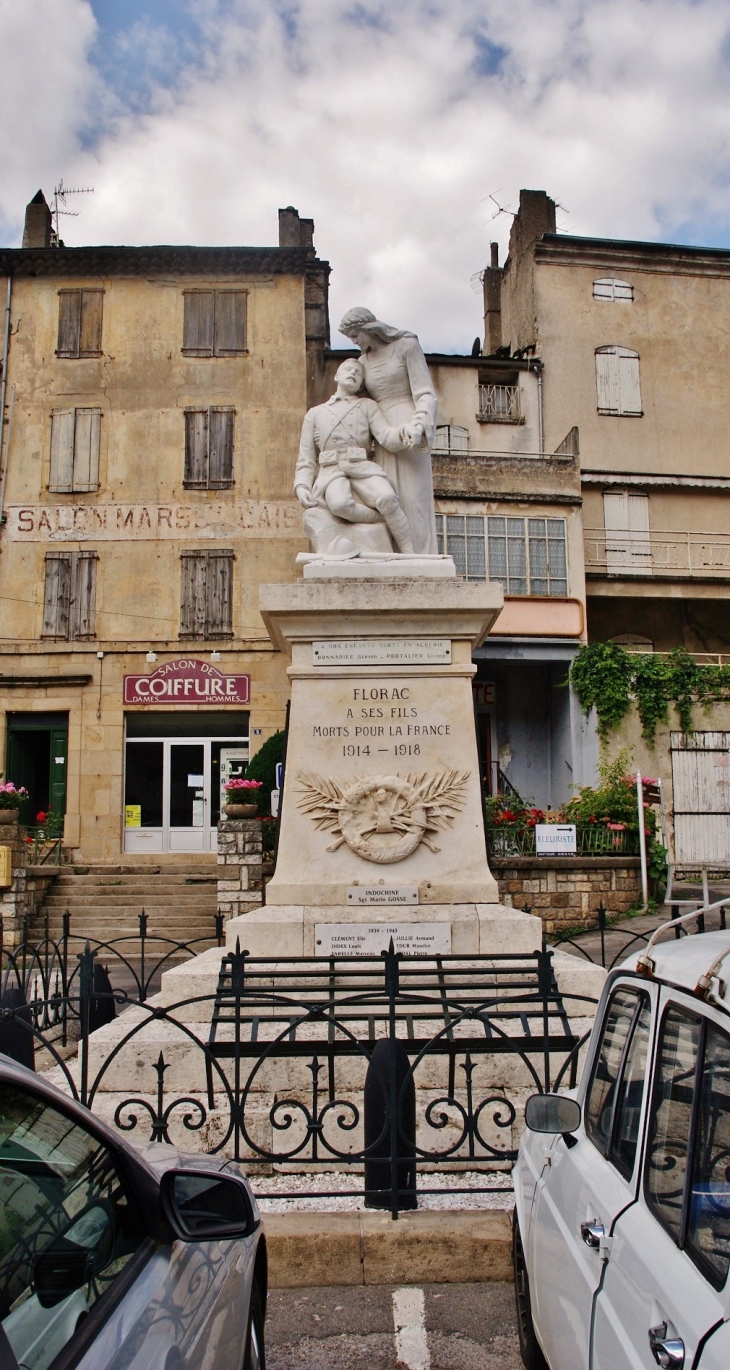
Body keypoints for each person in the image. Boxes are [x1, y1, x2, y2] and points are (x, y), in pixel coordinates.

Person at [338, 307, 438, 554]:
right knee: (389, 498)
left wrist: (419, 424)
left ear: (367, 328)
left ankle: (422, 558)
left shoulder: (406, 345)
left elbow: (425, 392)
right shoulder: (361, 363)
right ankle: (397, 555)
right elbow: (354, 401)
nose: (354, 341)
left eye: (355, 335)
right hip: (381, 432)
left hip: (408, 423)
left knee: (414, 500)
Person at [295, 357, 415, 553]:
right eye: (348, 370)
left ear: (361, 384)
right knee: (340, 504)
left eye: (358, 374)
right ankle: (385, 519)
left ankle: (408, 551)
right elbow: (306, 458)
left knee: (387, 498)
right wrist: (301, 486)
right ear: (337, 376)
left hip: (362, 468)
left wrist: (403, 433)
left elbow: (386, 436)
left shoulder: (367, 406)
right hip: (332, 471)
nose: (353, 373)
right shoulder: (315, 413)